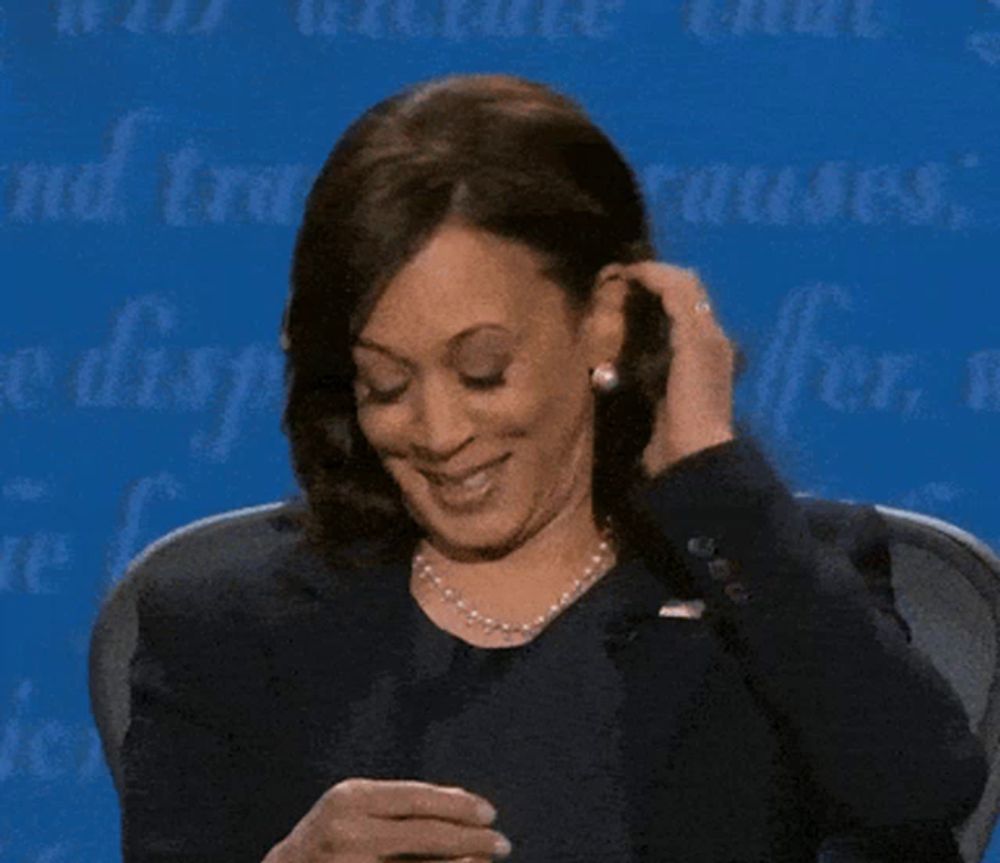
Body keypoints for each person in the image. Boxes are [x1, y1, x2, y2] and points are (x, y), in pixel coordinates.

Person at [118, 73, 988, 863]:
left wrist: (712, 480)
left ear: (604, 320)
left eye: (483, 370)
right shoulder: (220, 628)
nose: (439, 430)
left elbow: (921, 791)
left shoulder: (766, 579)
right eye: (386, 384)